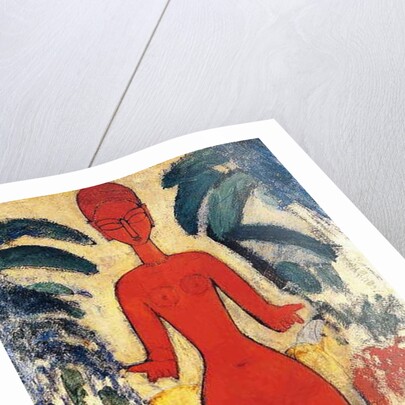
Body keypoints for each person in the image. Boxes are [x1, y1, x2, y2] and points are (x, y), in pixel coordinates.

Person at [76, 182, 349, 405]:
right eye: (112, 225)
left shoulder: (197, 260)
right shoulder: (129, 287)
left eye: (133, 217)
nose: (129, 229)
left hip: (265, 362)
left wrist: (277, 313)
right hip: (223, 381)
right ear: (101, 231)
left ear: (146, 212)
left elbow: (264, 312)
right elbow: (163, 355)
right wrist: (158, 365)